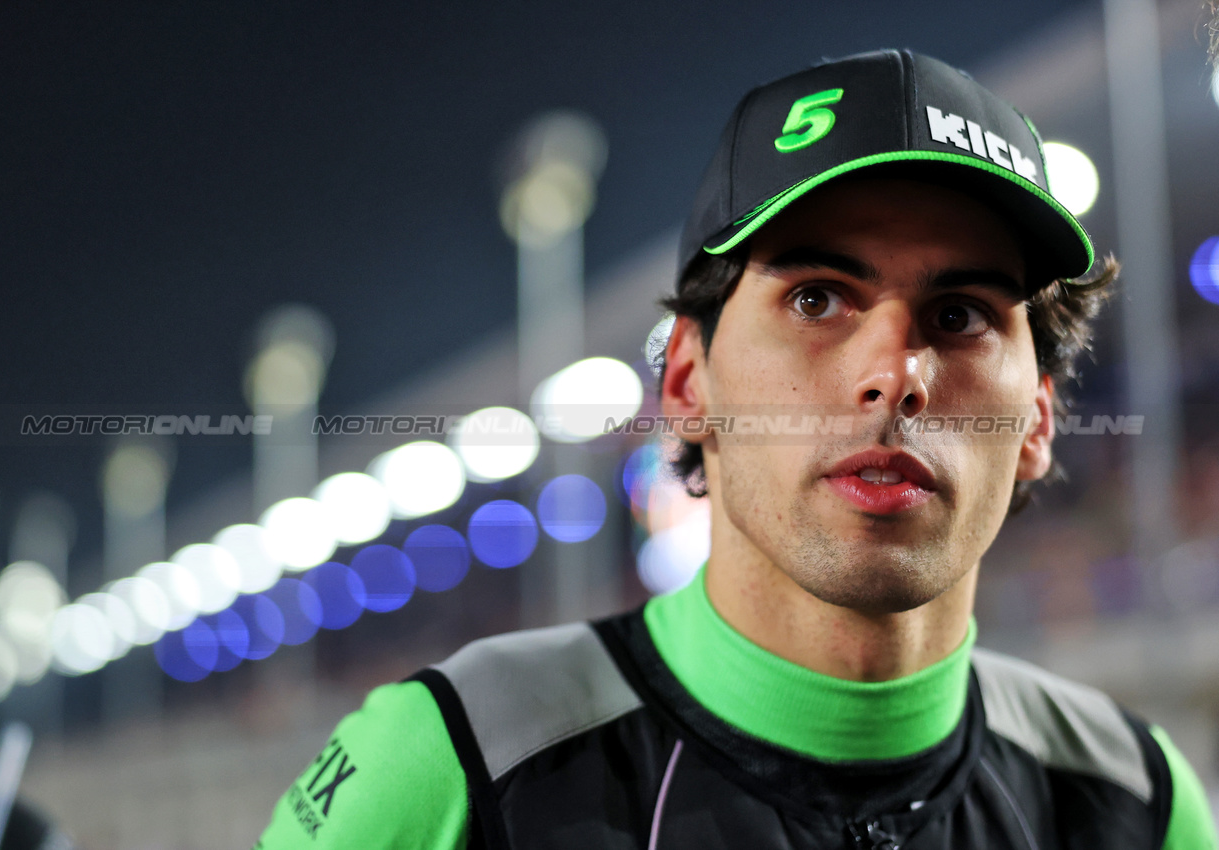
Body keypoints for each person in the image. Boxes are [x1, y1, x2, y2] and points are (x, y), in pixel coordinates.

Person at [256, 49, 1217, 849]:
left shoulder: (1134, 800)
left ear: (1038, 424)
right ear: (686, 386)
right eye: (816, 299)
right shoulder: (456, 764)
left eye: (960, 314)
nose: (894, 371)